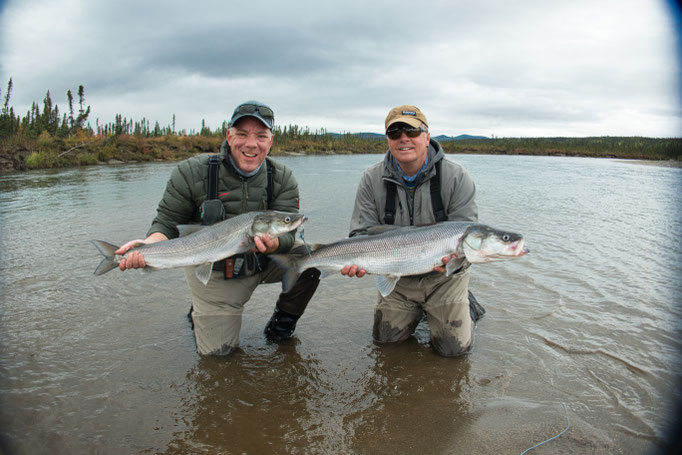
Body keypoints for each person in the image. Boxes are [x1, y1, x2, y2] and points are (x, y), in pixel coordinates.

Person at [115, 100, 321, 356]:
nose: (251, 143)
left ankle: (281, 327)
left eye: (260, 136)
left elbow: (289, 235)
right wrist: (148, 246)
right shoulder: (191, 172)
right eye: (242, 134)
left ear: (270, 142)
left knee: (314, 260)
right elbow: (166, 223)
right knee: (218, 357)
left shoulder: (283, 177)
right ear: (229, 136)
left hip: (265, 260)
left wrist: (276, 243)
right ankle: (201, 308)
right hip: (214, 270)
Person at [341, 105, 484, 357]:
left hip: (445, 280)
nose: (403, 138)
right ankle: (419, 312)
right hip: (397, 279)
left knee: (453, 352)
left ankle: (465, 306)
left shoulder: (457, 177)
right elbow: (360, 234)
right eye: (395, 132)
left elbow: (468, 237)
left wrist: (456, 263)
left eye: (412, 131)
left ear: (427, 136)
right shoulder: (371, 179)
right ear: (388, 140)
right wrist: (355, 261)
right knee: (386, 344)